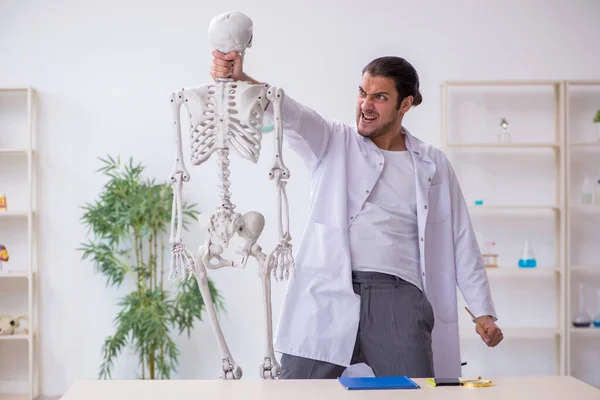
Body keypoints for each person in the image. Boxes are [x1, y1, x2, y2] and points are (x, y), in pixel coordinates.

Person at [210, 51, 504, 379]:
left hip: (399, 300)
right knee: (294, 391)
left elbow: (460, 238)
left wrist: (483, 313)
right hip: (327, 293)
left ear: (405, 104)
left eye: (379, 97)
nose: (366, 104)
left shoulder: (431, 163)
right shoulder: (334, 140)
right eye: (362, 93)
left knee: (416, 391)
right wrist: (244, 81)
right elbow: (290, 113)